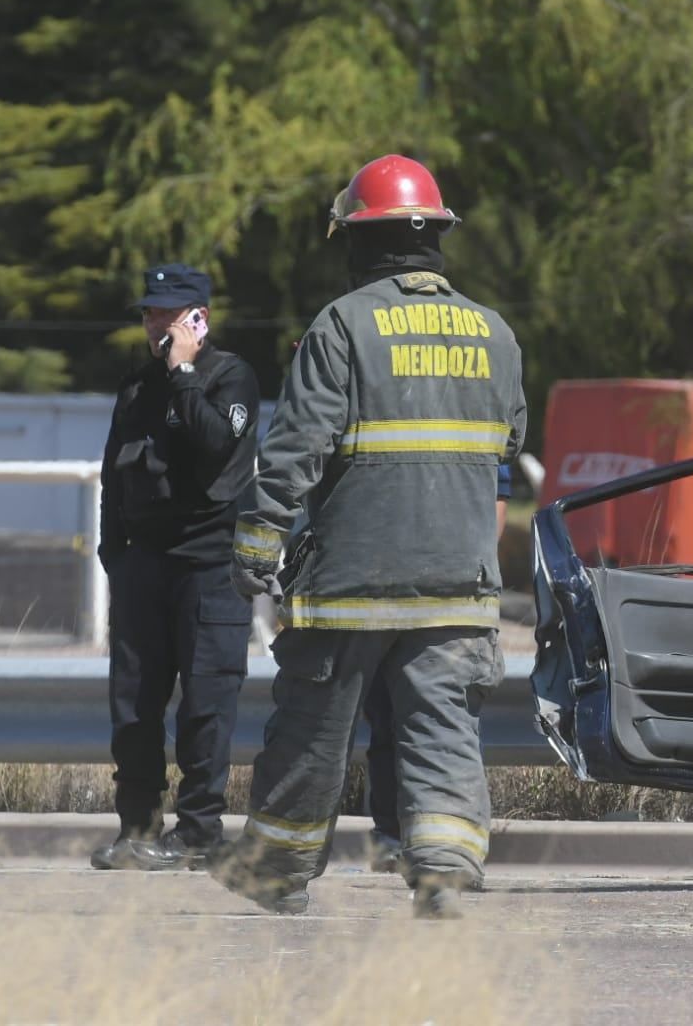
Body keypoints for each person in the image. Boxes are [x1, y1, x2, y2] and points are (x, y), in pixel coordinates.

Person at [212, 154, 527, 920]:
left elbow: (298, 446)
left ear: (358, 241)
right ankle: (445, 867)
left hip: (352, 580)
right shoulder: (494, 333)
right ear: (434, 237)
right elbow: (508, 446)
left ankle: (274, 872)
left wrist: (257, 540)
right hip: (460, 580)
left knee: (313, 731)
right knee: (443, 728)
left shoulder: (343, 325)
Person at [90, 264, 260, 871]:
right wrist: (115, 557)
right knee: (133, 705)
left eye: (168, 313)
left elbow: (217, 443)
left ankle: (198, 834)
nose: (155, 323)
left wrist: (184, 371)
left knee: (206, 704)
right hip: (144, 566)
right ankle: (135, 829)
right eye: (149, 313)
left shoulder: (230, 377)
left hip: (211, 567)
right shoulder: (136, 387)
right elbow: (114, 475)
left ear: (197, 319)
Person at [365, 461, 512, 879]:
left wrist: (474, 571)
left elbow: (497, 498)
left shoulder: (475, 406)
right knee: (387, 719)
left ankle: (447, 851)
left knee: (444, 723)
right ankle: (395, 837)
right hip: (385, 586)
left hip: (452, 594)